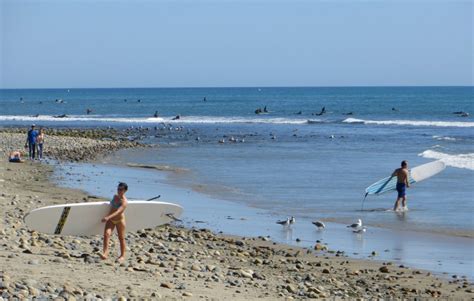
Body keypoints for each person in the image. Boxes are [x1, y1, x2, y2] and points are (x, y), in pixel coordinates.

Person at [100, 182, 128, 263]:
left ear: (125, 190)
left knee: (121, 238)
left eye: (121, 189)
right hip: (111, 220)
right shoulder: (115, 196)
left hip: (120, 220)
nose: (119, 191)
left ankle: (122, 256)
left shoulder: (124, 202)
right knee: (106, 234)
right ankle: (105, 253)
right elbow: (111, 207)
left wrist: (107, 217)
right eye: (118, 189)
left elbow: (118, 212)